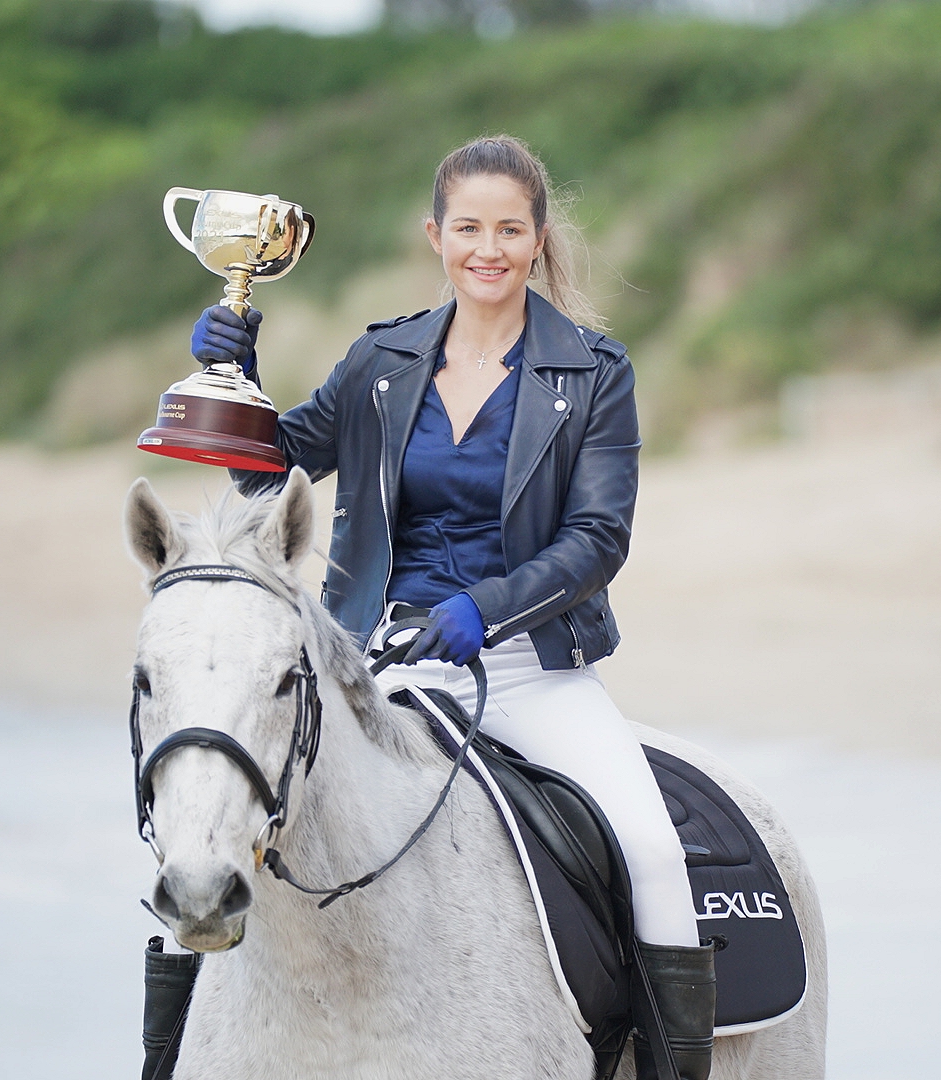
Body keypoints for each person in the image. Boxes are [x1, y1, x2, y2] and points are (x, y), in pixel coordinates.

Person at [195, 134, 713, 1080]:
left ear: (538, 237)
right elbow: (270, 470)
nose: (489, 248)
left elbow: (599, 540)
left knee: (651, 851)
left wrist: (486, 609)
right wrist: (235, 380)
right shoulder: (380, 360)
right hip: (372, 669)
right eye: (468, 227)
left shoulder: (595, 373)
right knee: (213, 817)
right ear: (435, 235)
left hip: (525, 669)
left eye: (509, 229)